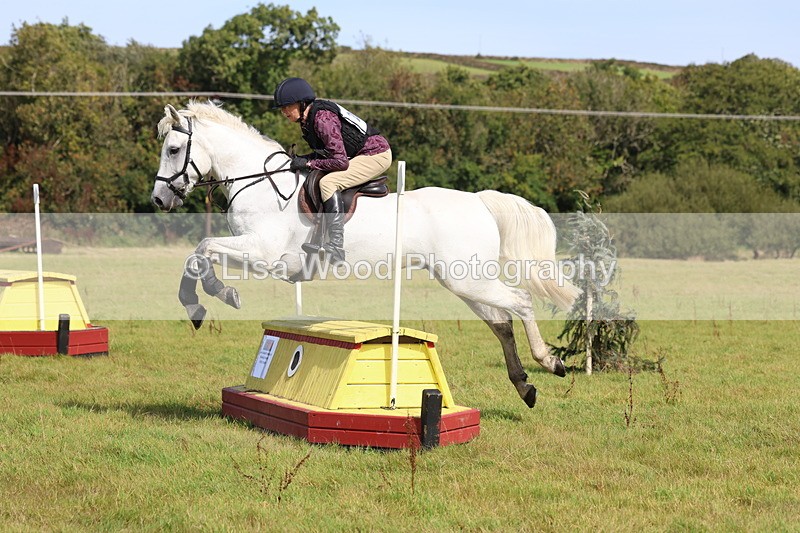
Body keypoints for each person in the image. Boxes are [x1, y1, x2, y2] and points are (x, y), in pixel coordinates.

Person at [273, 77, 392, 265]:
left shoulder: (322, 119)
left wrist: (309, 164)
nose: (283, 112)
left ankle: (336, 245)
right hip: (359, 154)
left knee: (328, 182)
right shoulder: (309, 119)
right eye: (281, 108)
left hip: (376, 154)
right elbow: (326, 152)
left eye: (287, 106)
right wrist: (306, 159)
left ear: (302, 103)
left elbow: (340, 162)